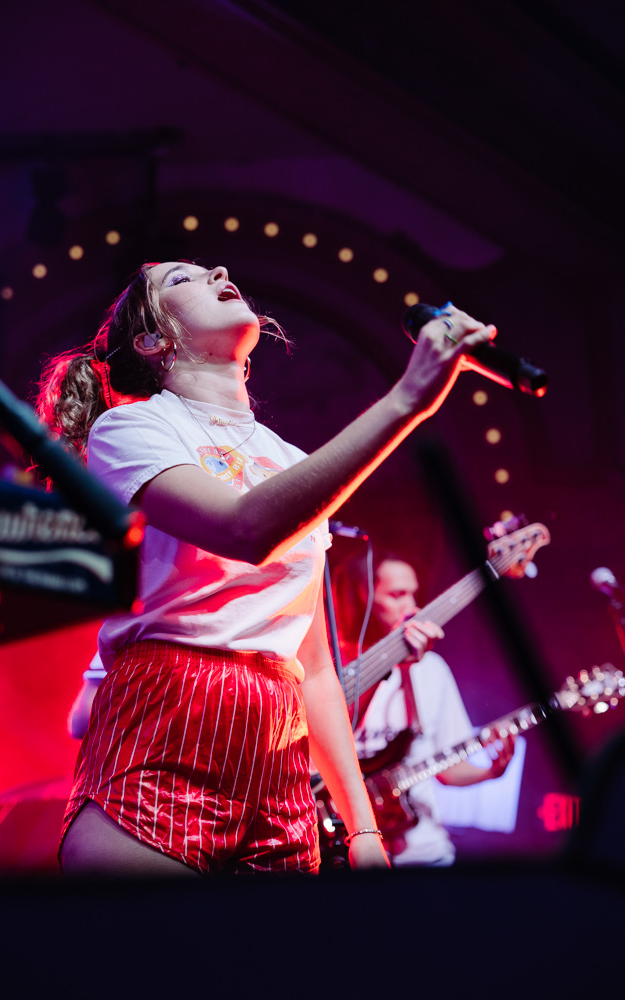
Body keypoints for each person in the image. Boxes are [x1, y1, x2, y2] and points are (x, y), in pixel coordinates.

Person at [35, 259, 494, 877]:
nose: (220, 270)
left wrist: (362, 828)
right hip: (168, 722)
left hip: (277, 754)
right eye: (182, 279)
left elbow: (315, 670)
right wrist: (409, 400)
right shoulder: (132, 428)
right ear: (152, 339)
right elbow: (243, 529)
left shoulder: (292, 462)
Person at [331, 549, 516, 866]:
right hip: (343, 852)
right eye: (396, 594)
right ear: (359, 597)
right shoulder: (330, 670)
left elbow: (446, 768)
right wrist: (389, 665)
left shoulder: (431, 669)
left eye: (414, 593)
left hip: (424, 854)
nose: (412, 607)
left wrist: (491, 772)